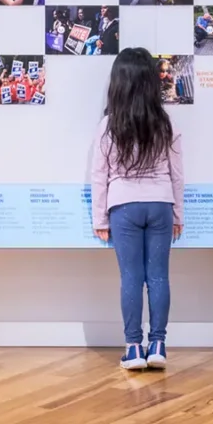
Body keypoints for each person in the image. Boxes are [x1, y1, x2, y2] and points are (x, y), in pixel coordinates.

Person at [90, 49, 183, 371]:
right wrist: (178, 214)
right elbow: (177, 174)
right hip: (160, 204)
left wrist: (100, 218)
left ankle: (133, 348)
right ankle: (157, 345)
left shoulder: (109, 125)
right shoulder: (165, 123)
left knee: (131, 277)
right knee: (158, 277)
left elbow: (99, 174)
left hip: (123, 206)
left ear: (118, 83)